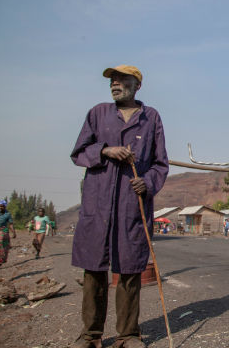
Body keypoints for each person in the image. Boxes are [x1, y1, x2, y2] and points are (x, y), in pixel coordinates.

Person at [70, 64, 169, 348]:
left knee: (129, 270)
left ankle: (127, 335)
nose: (115, 84)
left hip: (131, 205)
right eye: (112, 80)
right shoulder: (98, 113)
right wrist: (104, 150)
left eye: (121, 80)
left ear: (137, 85)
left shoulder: (151, 118)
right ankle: (90, 335)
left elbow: (161, 163)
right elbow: (78, 152)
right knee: (94, 269)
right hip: (97, 203)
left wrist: (147, 183)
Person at [0, 200, 16, 270]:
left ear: (5, 207)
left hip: (3, 230)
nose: (1, 208)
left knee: (2, 245)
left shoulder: (7, 214)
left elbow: (10, 224)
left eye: (2, 206)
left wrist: (13, 232)